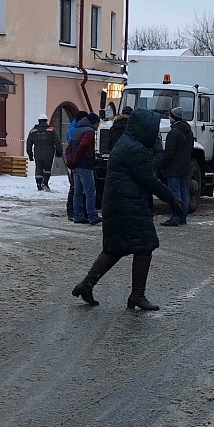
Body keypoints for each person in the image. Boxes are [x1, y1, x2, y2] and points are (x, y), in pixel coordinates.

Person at [72, 109, 184, 311]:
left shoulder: (129, 144)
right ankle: (137, 295)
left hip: (121, 203)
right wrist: (173, 201)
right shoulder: (134, 149)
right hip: (128, 205)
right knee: (145, 245)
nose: (155, 134)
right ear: (145, 129)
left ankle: (87, 284)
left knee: (115, 247)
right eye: (154, 130)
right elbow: (150, 180)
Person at [159, 107, 194, 227]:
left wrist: (162, 165)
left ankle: (175, 217)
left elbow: (169, 152)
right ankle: (182, 217)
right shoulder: (188, 131)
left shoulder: (173, 132)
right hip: (185, 167)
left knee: (175, 194)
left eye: (170, 116)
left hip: (173, 168)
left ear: (173, 117)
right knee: (184, 192)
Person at [67, 113, 102, 224]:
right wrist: (76, 160)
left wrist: (71, 161)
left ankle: (78, 216)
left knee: (78, 192)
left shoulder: (77, 130)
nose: (98, 126)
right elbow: (83, 146)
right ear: (94, 122)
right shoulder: (89, 132)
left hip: (76, 167)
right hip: (85, 165)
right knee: (90, 192)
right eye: (97, 123)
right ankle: (92, 216)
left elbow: (69, 147)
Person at [26, 115, 60, 192]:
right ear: (46, 120)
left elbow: (29, 144)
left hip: (37, 152)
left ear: (39, 121)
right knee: (47, 168)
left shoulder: (33, 130)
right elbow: (57, 141)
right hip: (49, 152)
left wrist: (30, 154)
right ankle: (45, 182)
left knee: (38, 167)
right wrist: (59, 152)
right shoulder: (51, 130)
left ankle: (38, 183)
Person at [65, 111, 88, 220]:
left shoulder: (72, 128)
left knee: (75, 188)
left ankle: (74, 211)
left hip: (73, 161)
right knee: (75, 188)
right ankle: (73, 211)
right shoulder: (76, 130)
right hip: (76, 162)